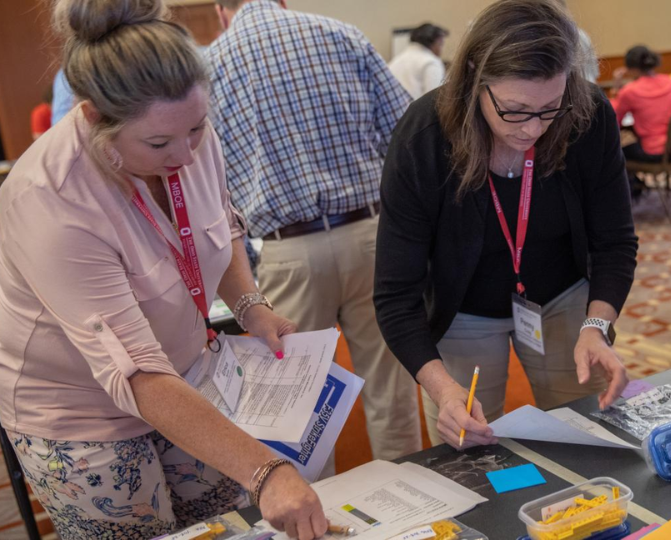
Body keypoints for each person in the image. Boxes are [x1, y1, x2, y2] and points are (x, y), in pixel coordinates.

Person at [0, 1, 328, 538]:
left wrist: (251, 307)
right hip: (79, 412)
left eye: (196, 130)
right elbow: (137, 373)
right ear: (91, 117)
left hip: (183, 379)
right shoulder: (50, 199)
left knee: (224, 527)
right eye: (158, 143)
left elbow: (222, 226)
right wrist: (266, 470)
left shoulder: (188, 132)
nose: (186, 154)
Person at [374, 0, 638, 449]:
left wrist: (595, 327)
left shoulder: (586, 114)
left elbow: (615, 242)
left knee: (582, 434)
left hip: (561, 296)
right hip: (463, 308)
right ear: (475, 78)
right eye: (515, 110)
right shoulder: (424, 136)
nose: (533, 129)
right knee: (470, 444)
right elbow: (395, 296)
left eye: (549, 108)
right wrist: (441, 388)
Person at [205, 0, 422, 465]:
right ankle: (411, 517)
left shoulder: (209, 66)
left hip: (288, 250)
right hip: (372, 234)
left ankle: (309, 522)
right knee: (392, 387)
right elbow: (406, 134)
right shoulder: (341, 33)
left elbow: (208, 180)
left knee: (295, 403)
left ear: (222, 10)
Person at [610, 45, 671, 164]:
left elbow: (612, 118)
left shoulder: (630, 91)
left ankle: (632, 182)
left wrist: (615, 89)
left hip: (653, 150)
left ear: (630, 68)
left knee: (614, 155)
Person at [389, 23, 449, 100]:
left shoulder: (395, 61)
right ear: (435, 42)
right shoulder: (431, 62)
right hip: (416, 111)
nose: (442, 49)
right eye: (441, 44)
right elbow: (434, 100)